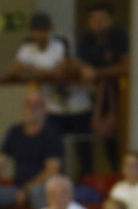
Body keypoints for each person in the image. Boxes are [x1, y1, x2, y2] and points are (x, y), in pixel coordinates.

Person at [0, 88, 65, 209]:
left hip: (43, 189)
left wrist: (26, 189)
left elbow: (52, 171)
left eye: (37, 105)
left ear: (45, 109)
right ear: (23, 108)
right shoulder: (15, 132)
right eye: (29, 105)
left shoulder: (52, 134)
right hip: (17, 188)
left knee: (36, 192)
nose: (33, 109)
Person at [10, 11, 89, 143]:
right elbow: (12, 71)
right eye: (36, 30)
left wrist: (29, 69)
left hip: (76, 103)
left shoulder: (60, 43)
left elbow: (61, 72)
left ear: (50, 29)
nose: (40, 34)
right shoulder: (26, 47)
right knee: (54, 146)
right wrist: (46, 71)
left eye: (43, 29)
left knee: (84, 147)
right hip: (51, 106)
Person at [75, 1, 130, 176]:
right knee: (97, 133)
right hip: (96, 96)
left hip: (121, 93)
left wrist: (98, 72)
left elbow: (127, 65)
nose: (97, 22)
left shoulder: (120, 36)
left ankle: (122, 171)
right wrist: (82, 68)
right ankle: (90, 173)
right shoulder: (85, 39)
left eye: (102, 18)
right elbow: (77, 62)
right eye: (93, 19)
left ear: (111, 20)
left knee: (119, 134)